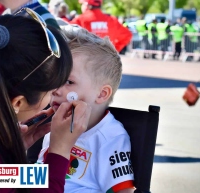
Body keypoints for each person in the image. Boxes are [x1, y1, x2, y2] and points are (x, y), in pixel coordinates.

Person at [0, 10, 91, 193]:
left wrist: (8, 149)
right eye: (50, 91)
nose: (56, 95)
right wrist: (60, 150)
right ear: (17, 103)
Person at [37, 25, 135, 193]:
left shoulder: (111, 137)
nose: (55, 89)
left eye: (69, 82)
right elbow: (39, 176)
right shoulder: (55, 123)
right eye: (54, 78)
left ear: (102, 94)